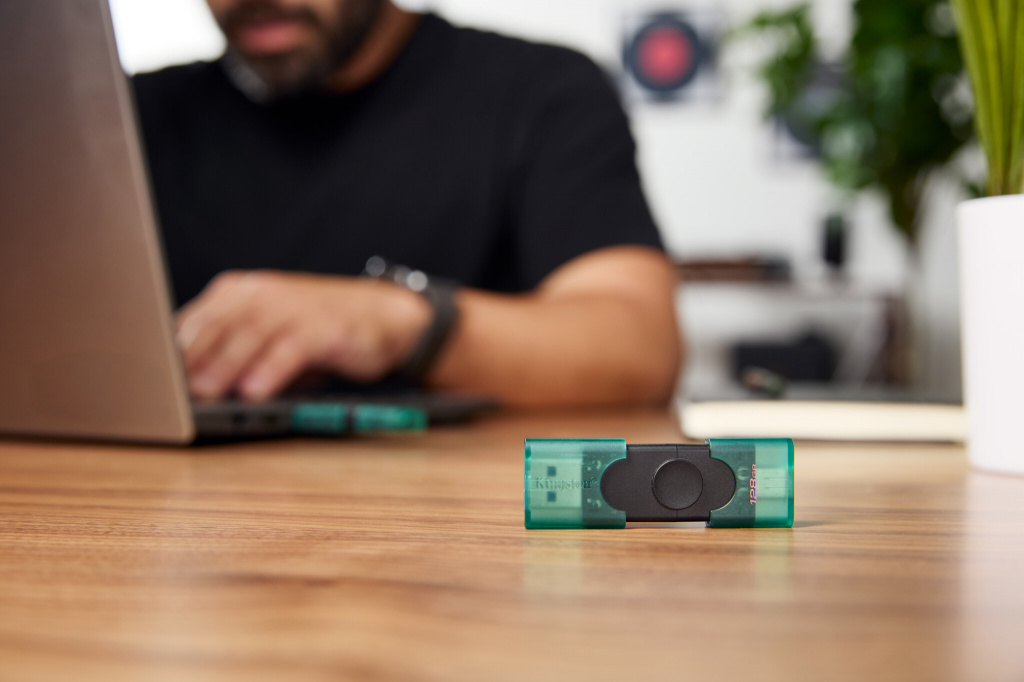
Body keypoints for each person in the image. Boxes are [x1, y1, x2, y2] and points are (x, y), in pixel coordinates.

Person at [133, 0, 682, 407]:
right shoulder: (129, 118)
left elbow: (639, 351)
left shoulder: (542, 92)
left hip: (451, 515)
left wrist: (401, 322)